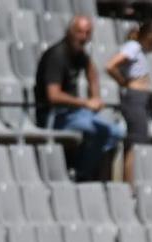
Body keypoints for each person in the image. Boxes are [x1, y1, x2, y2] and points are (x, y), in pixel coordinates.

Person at [36, 15, 123, 182]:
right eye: (79, 32)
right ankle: (81, 174)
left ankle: (84, 168)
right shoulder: (57, 56)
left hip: (74, 113)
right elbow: (53, 96)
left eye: (87, 33)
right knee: (102, 131)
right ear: (69, 32)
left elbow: (92, 71)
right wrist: (86, 102)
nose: (83, 37)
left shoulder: (79, 53)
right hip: (53, 115)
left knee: (116, 131)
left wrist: (95, 96)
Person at [105, 15, 152, 183]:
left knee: (138, 142)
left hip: (140, 99)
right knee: (136, 144)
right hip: (134, 98)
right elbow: (110, 65)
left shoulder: (137, 49)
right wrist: (122, 81)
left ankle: (132, 182)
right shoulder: (133, 46)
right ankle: (130, 185)